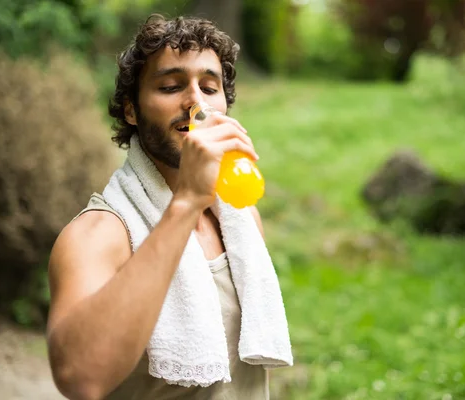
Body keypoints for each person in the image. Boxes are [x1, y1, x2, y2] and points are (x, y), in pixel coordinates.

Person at [46, 14, 292, 400]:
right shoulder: (97, 235)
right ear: (131, 110)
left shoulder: (241, 219)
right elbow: (79, 377)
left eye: (209, 87)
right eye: (172, 85)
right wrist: (188, 202)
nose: (195, 102)